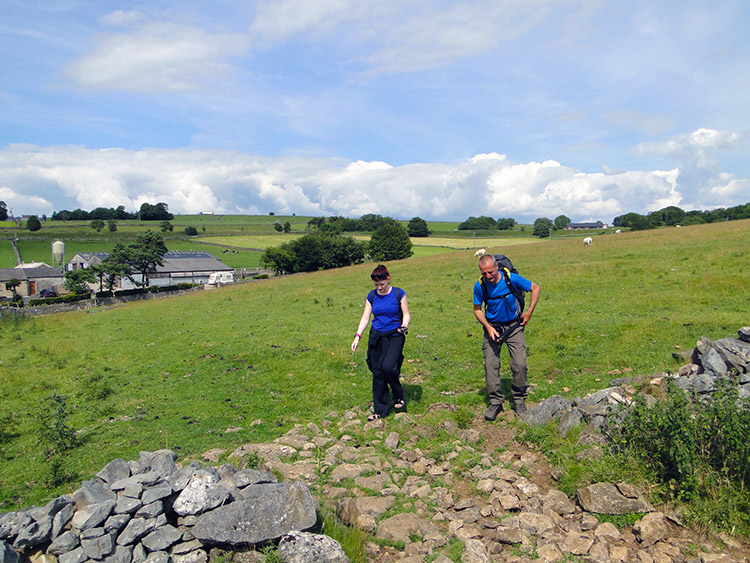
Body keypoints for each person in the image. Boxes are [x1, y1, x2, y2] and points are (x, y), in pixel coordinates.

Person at [473, 255, 540, 420]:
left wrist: (529, 312)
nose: (488, 276)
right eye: (484, 273)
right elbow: (477, 309)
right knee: (490, 364)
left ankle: (519, 400)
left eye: (490, 272)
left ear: (496, 267)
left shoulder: (512, 278)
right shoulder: (480, 286)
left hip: (514, 326)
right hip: (493, 328)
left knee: (519, 364)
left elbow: (535, 288)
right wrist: (488, 327)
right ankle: (495, 402)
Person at [351, 265, 411, 421]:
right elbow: (365, 317)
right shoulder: (371, 296)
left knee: (388, 367)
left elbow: (406, 314)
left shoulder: (399, 293)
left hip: (395, 335)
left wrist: (404, 326)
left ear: (388, 278)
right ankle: (380, 410)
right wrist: (358, 336)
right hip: (376, 335)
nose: (379, 287)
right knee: (377, 371)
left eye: (382, 284)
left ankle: (398, 394)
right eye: (376, 285)